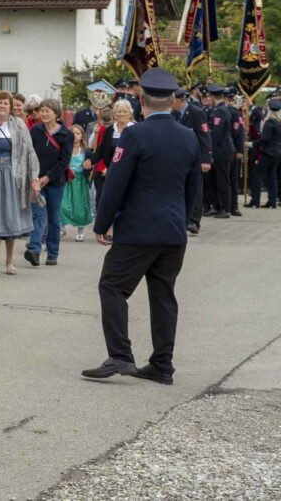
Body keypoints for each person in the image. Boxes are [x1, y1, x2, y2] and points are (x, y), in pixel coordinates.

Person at [82, 68, 201, 385]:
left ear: (141, 101)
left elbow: (116, 184)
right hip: (173, 231)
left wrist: (102, 223)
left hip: (138, 229)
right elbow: (194, 189)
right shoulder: (188, 136)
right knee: (163, 296)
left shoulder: (135, 135)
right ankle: (162, 364)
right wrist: (183, 221)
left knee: (112, 286)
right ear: (174, 100)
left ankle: (120, 355)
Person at [0, 91, 39, 277]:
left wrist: (34, 178)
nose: (2, 106)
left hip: (13, 175)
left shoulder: (18, 125)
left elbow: (29, 152)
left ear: (10, 107)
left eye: (6, 103)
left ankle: (10, 261)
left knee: (10, 216)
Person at [24, 99, 72, 266]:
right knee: (37, 215)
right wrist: (34, 178)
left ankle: (52, 253)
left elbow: (64, 161)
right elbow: (29, 155)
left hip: (56, 182)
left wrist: (48, 177)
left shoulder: (66, 134)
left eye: (48, 111)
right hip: (36, 181)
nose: (44, 114)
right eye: (42, 110)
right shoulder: (35, 131)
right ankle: (34, 250)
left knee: (53, 218)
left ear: (57, 114)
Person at [172, 89, 212, 233]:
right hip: (178, 157)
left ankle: (194, 221)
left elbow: (205, 136)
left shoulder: (196, 112)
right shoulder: (173, 113)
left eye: (172, 100)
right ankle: (182, 218)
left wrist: (206, 159)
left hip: (194, 157)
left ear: (179, 100)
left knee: (195, 188)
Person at [91, 100, 134, 209]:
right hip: (110, 172)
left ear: (130, 113)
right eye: (119, 111)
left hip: (129, 173)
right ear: (114, 113)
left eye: (124, 111)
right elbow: (101, 149)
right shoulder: (110, 130)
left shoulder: (136, 129)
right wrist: (91, 161)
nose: (121, 114)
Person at [205, 84, 234, 219]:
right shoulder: (218, 109)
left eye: (208, 96)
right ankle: (217, 206)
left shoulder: (220, 111)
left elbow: (216, 134)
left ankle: (225, 209)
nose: (207, 98)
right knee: (214, 180)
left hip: (222, 151)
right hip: (220, 150)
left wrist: (209, 150)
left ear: (212, 96)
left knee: (222, 181)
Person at [61, 125, 93, 241]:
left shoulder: (86, 150)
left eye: (78, 133)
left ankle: (80, 231)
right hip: (66, 179)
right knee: (63, 205)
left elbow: (91, 164)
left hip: (80, 180)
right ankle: (61, 227)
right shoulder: (65, 148)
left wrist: (88, 166)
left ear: (82, 136)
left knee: (80, 207)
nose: (75, 136)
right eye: (73, 133)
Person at [249, 99, 281, 208]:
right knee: (272, 176)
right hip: (277, 152)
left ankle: (255, 200)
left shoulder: (270, 121)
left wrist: (251, 144)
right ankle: (272, 202)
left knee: (257, 175)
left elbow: (264, 139)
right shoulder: (279, 121)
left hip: (268, 152)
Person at [224, 88, 245, 216]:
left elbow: (239, 133)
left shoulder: (235, 113)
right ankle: (225, 205)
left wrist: (239, 149)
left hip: (232, 149)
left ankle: (234, 206)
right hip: (225, 149)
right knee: (226, 179)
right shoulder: (221, 111)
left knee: (233, 178)